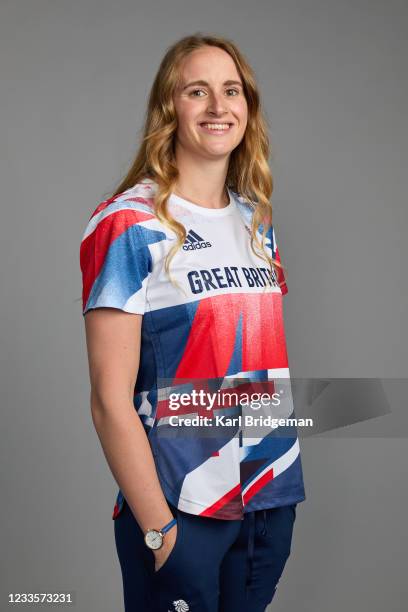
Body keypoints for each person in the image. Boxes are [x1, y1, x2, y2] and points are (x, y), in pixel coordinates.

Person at [80, 33, 306, 612]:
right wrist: (161, 532)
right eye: (197, 91)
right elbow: (109, 400)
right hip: (181, 507)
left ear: (247, 107)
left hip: (266, 498)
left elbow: (256, 371)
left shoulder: (258, 222)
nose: (217, 107)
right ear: (168, 109)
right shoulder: (128, 224)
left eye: (231, 91)